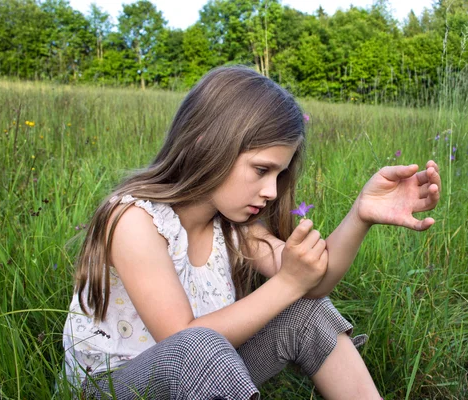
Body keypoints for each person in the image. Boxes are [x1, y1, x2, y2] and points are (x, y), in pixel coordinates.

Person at [62, 65, 441, 400]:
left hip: (203, 373)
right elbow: (180, 339)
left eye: (279, 174)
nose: (272, 191)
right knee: (198, 345)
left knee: (308, 311)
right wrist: (288, 284)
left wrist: (361, 215)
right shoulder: (133, 220)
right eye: (262, 170)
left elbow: (314, 281)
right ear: (207, 143)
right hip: (113, 388)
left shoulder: (234, 229)